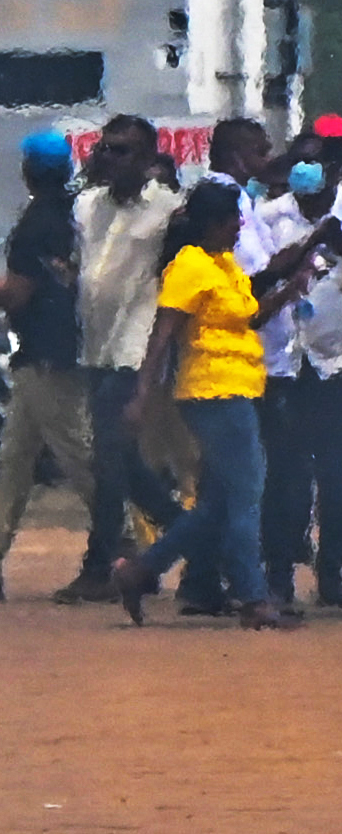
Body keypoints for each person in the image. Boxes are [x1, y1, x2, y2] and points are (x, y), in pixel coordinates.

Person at [117, 180, 320, 628]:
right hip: (213, 391)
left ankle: (141, 570)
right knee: (247, 497)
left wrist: (291, 288)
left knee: (218, 504)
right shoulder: (189, 265)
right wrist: (142, 392)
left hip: (240, 387)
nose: (239, 227)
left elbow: (249, 319)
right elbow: (163, 332)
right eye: (233, 220)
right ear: (212, 223)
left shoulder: (223, 263)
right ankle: (252, 597)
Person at [245, 147, 342, 605]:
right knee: (283, 475)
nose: (305, 169)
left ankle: (333, 570)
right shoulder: (268, 214)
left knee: (338, 474)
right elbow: (258, 274)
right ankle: (279, 572)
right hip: (282, 362)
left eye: (317, 161)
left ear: (337, 171)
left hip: (338, 360)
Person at [62, 118, 175, 598]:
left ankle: (102, 564)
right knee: (121, 460)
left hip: (135, 348)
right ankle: (191, 532)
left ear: (149, 159)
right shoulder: (87, 207)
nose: (110, 158)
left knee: (109, 458)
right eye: (105, 149)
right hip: (96, 346)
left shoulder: (170, 210)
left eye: (123, 151)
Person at [2, 129, 94, 583]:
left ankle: (130, 540)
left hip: (44, 353)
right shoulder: (74, 213)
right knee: (15, 458)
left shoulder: (35, 224)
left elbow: (18, 294)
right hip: (66, 345)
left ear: (27, 171)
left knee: (76, 454)